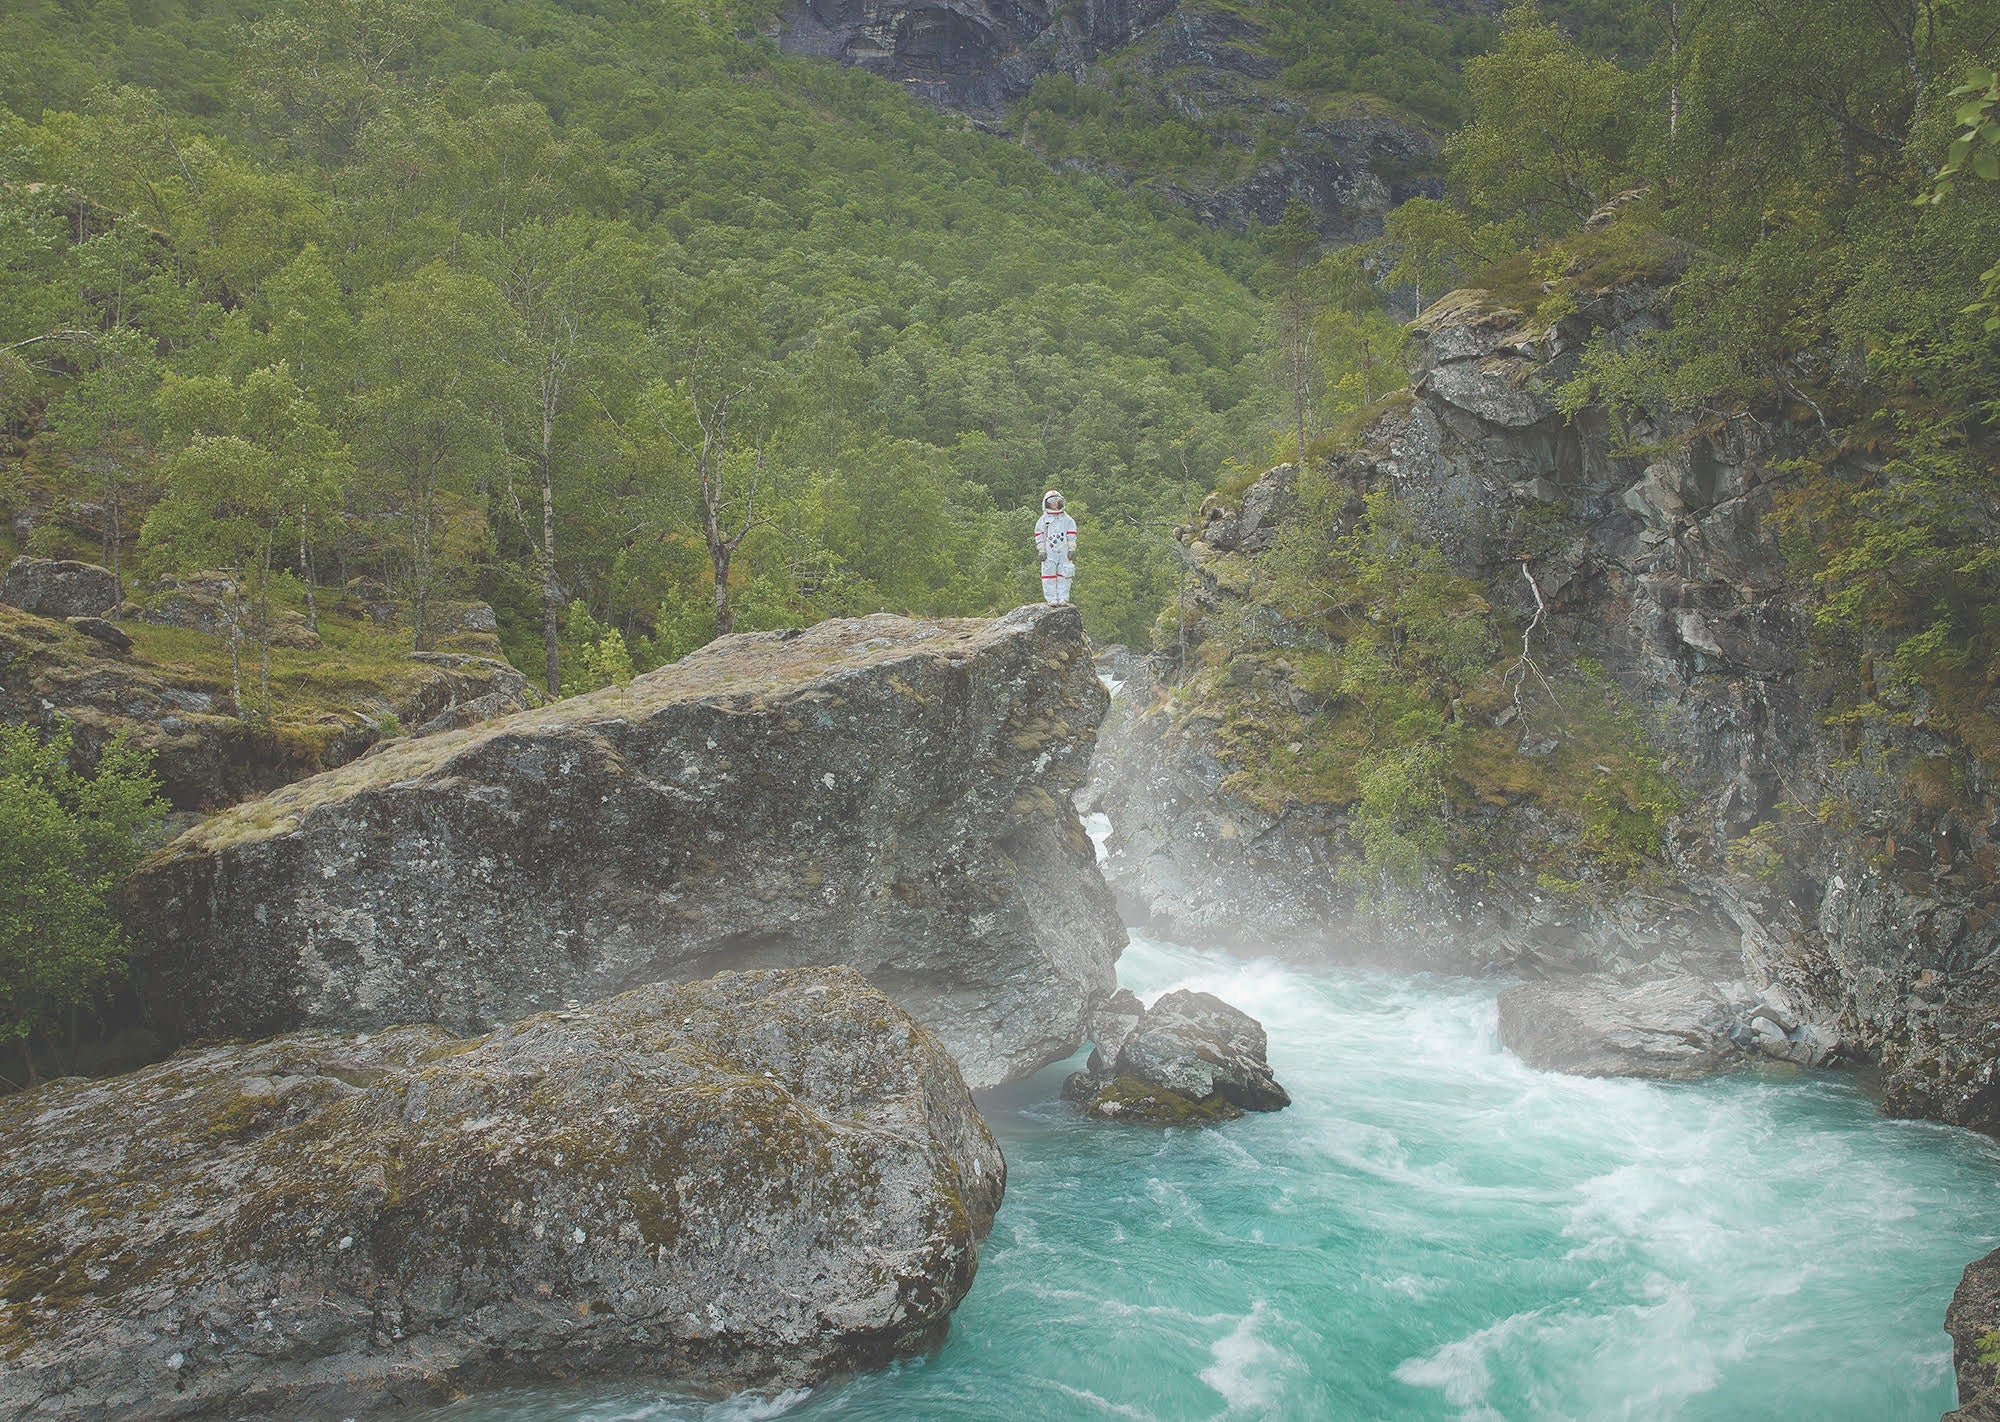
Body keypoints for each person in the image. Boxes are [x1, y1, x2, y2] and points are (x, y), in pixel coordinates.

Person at [1035, 490, 1077, 604]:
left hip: (1064, 552)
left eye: (1056, 501)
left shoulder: (1067, 519)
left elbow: (1071, 535)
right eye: (1051, 501)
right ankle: (1051, 599)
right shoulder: (1043, 520)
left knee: (1065, 575)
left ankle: (1063, 598)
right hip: (1050, 553)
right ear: (1046, 503)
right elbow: (1039, 535)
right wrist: (1042, 550)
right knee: (1048, 576)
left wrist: (1072, 548)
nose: (1054, 503)